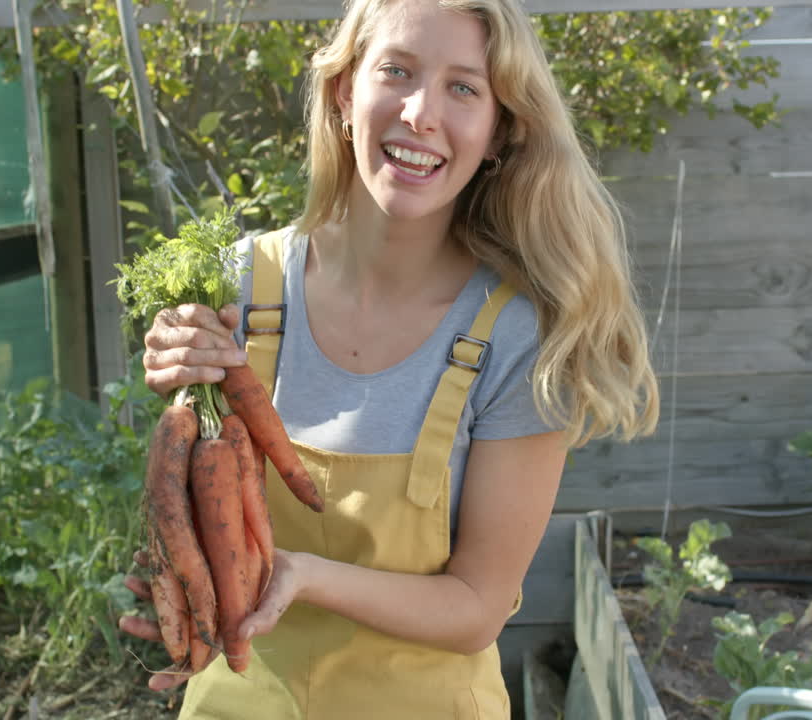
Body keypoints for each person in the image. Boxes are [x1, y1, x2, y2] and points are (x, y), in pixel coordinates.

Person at [118, 0, 659, 717]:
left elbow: (477, 607)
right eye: (397, 71)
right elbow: (200, 508)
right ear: (346, 92)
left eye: (463, 87)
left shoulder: (515, 337)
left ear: (498, 132)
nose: (421, 113)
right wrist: (180, 379)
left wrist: (301, 577)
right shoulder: (242, 284)